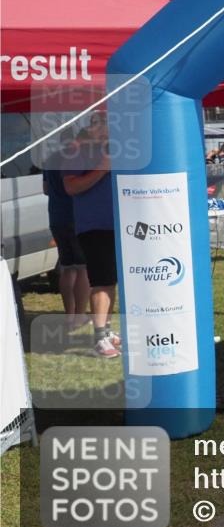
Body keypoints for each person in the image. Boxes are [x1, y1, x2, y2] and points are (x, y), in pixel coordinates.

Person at [62, 114, 121, 358]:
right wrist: (102, 169)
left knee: (111, 280)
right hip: (94, 226)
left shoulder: (115, 149)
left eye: (107, 122)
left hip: (117, 225)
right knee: (101, 281)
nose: (104, 128)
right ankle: (98, 337)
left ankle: (106, 331)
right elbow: (71, 187)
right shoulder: (76, 151)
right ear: (87, 127)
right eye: (98, 123)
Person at [42, 131, 91, 329]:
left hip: (56, 217)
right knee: (83, 268)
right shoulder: (79, 158)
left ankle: (69, 316)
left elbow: (46, 189)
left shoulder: (51, 158)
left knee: (67, 267)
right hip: (77, 217)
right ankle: (79, 317)